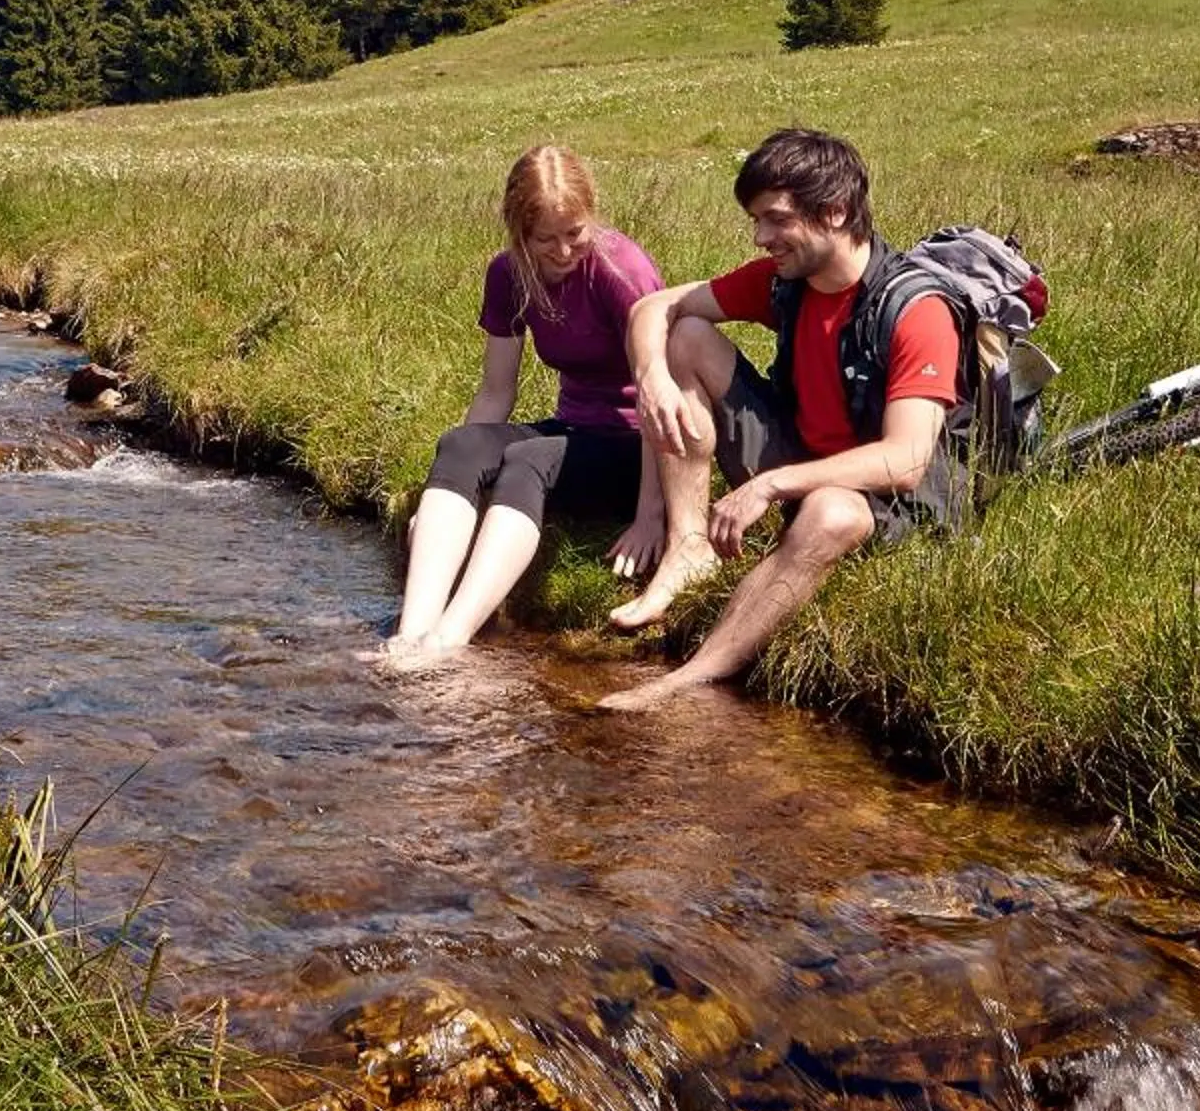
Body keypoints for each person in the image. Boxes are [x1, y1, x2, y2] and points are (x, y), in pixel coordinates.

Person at [599, 128, 961, 711]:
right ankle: (688, 545)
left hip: (890, 497)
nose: (761, 237)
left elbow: (906, 458)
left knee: (831, 510)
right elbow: (653, 307)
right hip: (802, 452)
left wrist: (768, 485)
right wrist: (653, 380)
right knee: (686, 336)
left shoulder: (916, 311)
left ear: (836, 212)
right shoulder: (785, 282)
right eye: (756, 220)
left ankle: (692, 678)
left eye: (776, 220)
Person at [380, 145, 667, 659]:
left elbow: (659, 401)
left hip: (634, 444)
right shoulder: (508, 275)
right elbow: (496, 392)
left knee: (528, 460)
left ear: (591, 217)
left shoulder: (619, 272)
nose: (562, 252)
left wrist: (650, 515)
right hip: (575, 429)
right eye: (545, 239)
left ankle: (448, 643)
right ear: (519, 233)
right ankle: (410, 634)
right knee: (461, 445)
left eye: (574, 233)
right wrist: (456, 492)